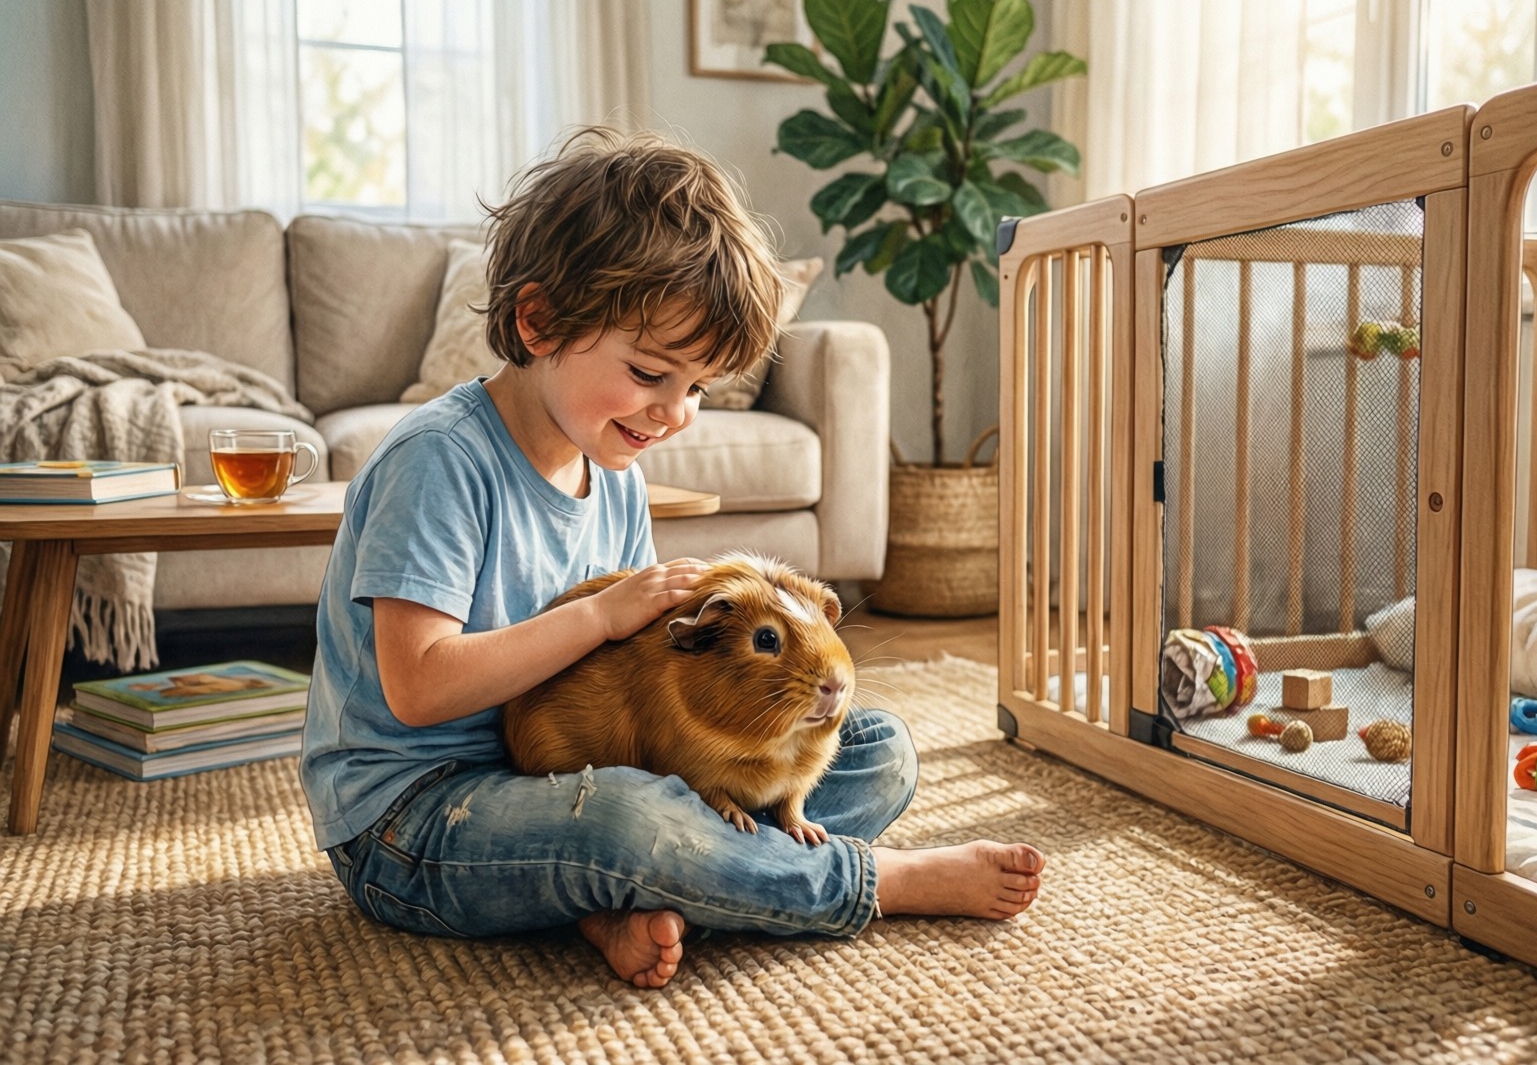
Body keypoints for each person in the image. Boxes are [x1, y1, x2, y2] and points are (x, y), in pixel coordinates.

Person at [299, 127, 1045, 988]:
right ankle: (867, 883)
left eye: (696, 388)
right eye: (652, 373)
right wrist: (600, 616)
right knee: (629, 820)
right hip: (416, 819)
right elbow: (419, 685)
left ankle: (625, 900)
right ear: (537, 321)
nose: (675, 412)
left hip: (576, 776)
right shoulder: (437, 459)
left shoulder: (609, 468)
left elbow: (647, 683)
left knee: (876, 748)